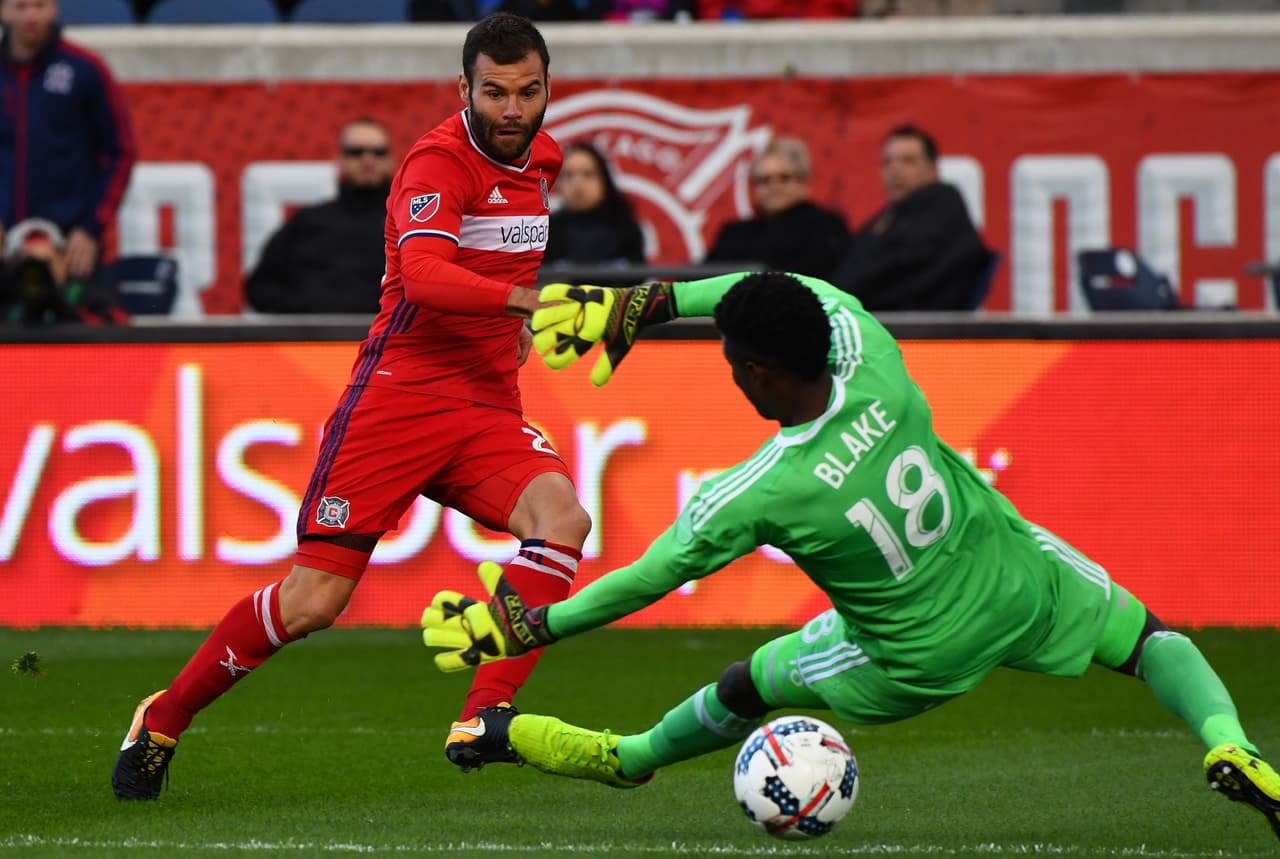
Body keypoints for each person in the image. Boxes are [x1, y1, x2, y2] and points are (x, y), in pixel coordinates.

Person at [421, 270, 1280, 840]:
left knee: (746, 684)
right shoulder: (870, 354)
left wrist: (531, 624)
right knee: (1152, 641)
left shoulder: (761, 488)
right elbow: (799, 285)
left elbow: (648, 578)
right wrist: (653, 301)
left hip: (909, 654)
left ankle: (626, 757)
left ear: (757, 372)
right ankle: (1227, 741)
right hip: (1013, 575)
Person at [112, 12, 591, 800]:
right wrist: (524, 304)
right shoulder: (437, 163)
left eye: (528, 91)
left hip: (485, 405)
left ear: (547, 90)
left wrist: (514, 333)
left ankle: (483, 714)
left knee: (563, 521)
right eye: (496, 92)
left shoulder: (543, 158)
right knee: (313, 602)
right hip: (398, 399)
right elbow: (428, 275)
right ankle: (161, 717)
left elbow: (502, 259)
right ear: (463, 89)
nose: (513, 109)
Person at [0, 0, 135, 281]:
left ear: (55, 8)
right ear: (3, 11)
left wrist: (91, 227)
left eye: (39, 5)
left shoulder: (85, 69)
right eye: (21, 6)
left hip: (70, 243)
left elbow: (120, 151)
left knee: (80, 320)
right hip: (4, 241)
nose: (31, 15)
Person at [830, 124, 994, 311]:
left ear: (932, 169)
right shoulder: (888, 217)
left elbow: (897, 271)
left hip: (918, 328)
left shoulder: (942, 207)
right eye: (887, 162)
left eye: (908, 161)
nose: (895, 169)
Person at [244, 118, 395, 315]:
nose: (367, 160)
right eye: (355, 152)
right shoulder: (308, 222)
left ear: (391, 161)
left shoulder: (405, 225)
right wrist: (309, 310)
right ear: (339, 160)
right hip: (313, 342)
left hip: (385, 341)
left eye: (378, 152)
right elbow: (259, 288)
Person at [703, 137, 848, 281]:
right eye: (764, 180)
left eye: (784, 178)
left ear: (804, 182)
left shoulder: (825, 226)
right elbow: (701, 278)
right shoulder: (734, 234)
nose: (774, 187)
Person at [542, 141, 645, 268]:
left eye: (588, 174)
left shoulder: (626, 230)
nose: (578, 184)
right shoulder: (545, 231)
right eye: (568, 175)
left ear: (604, 180)